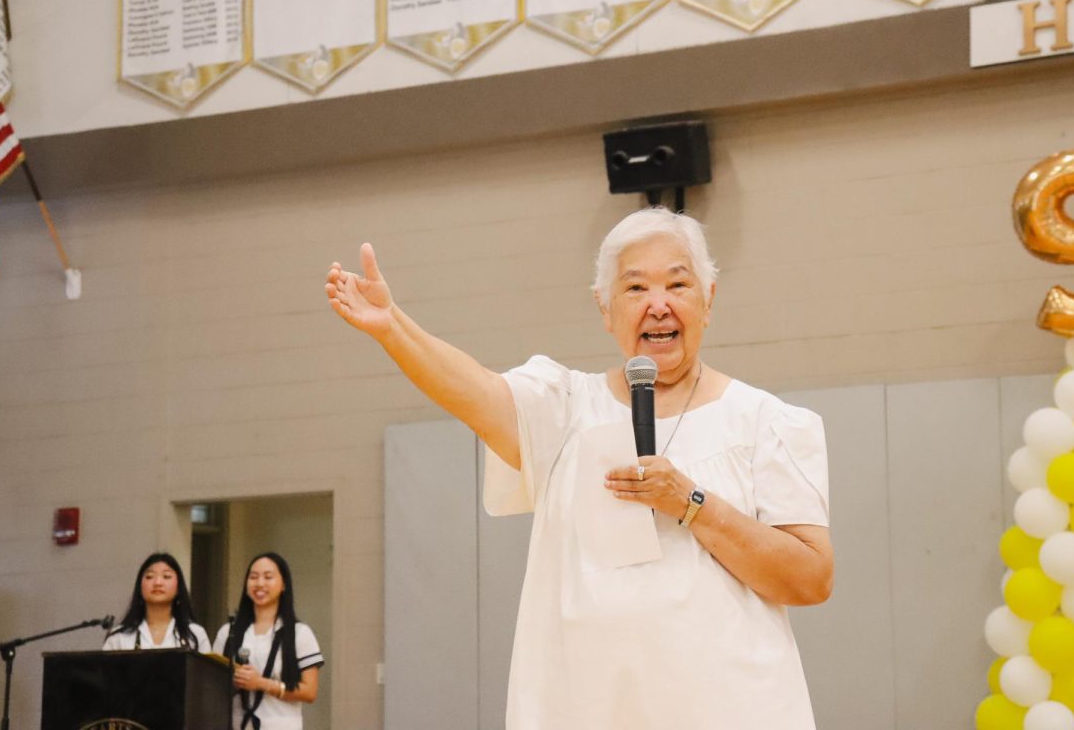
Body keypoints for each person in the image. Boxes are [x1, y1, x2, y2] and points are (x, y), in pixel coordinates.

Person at [325, 207, 834, 730]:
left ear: (708, 300)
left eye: (677, 284)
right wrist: (393, 328)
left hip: (733, 710)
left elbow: (812, 577)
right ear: (604, 307)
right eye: (635, 288)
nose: (658, 305)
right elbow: (473, 390)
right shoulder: (563, 407)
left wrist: (691, 503)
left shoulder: (765, 422)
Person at [212, 552, 323, 730]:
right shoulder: (228, 633)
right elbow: (211, 684)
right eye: (253, 577)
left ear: (284, 584)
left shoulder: (299, 633)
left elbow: (310, 692)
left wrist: (261, 683)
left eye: (268, 577)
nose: (260, 583)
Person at [103, 552, 211, 651]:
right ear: (140, 587)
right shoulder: (119, 636)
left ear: (178, 588)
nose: (158, 582)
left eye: (166, 576)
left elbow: (207, 672)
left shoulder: (195, 634)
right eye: (150, 577)